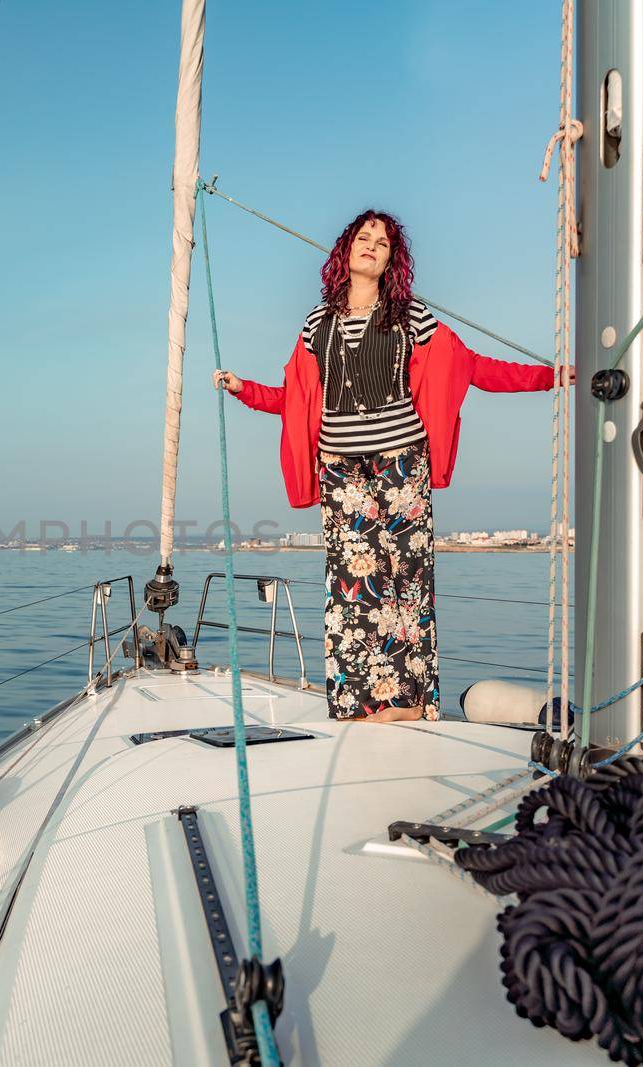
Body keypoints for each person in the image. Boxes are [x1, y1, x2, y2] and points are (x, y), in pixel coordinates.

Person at [214, 210, 573, 722]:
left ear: (390, 260)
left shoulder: (412, 318)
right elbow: (295, 399)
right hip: (339, 468)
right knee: (352, 588)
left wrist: (551, 376)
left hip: (402, 462)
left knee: (407, 578)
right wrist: (243, 389)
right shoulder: (317, 324)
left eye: (382, 243)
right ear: (346, 250)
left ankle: (409, 703)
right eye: (365, 238)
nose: (372, 246)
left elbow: (475, 368)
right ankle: (358, 701)